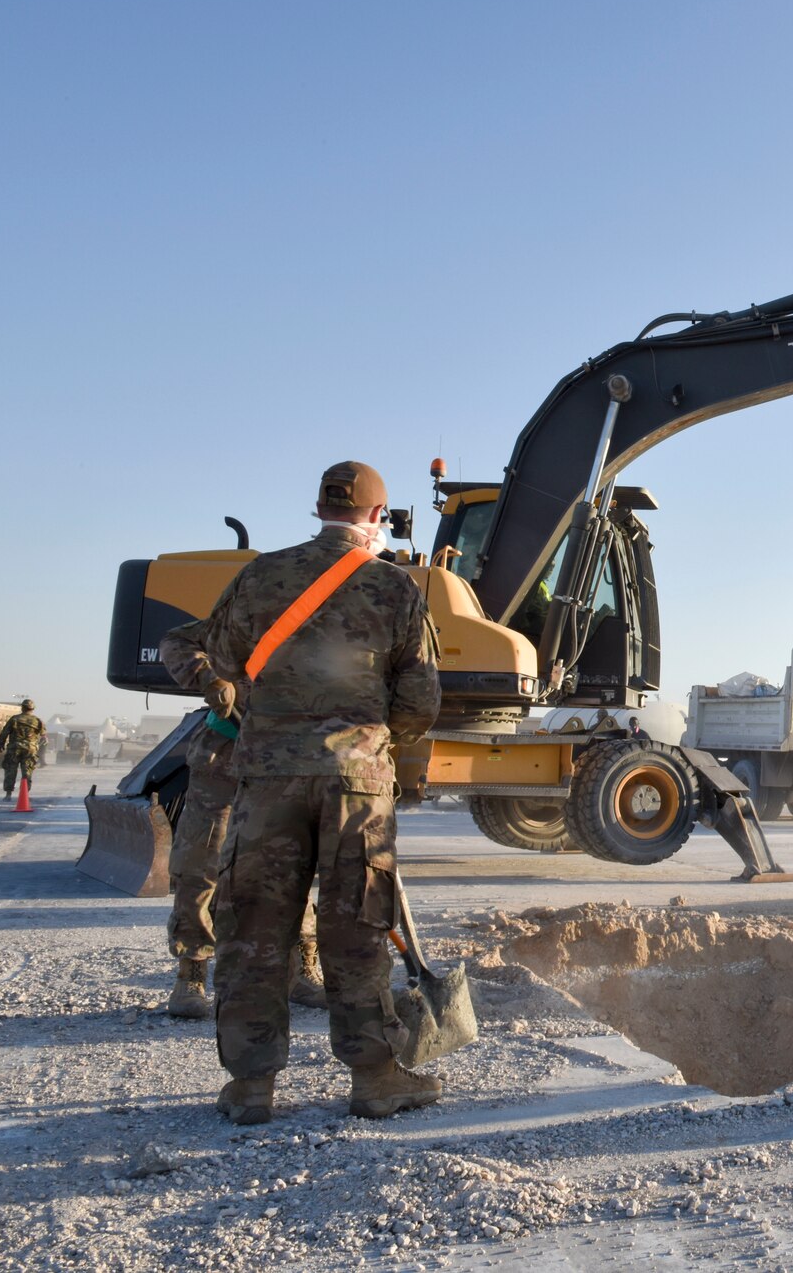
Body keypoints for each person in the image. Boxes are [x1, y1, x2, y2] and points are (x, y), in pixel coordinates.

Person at [199, 460, 443, 1124]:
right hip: (355, 785)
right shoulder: (396, 588)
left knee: (255, 929)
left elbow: (218, 660)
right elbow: (421, 699)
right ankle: (373, 1077)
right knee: (357, 928)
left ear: (320, 509)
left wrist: (270, 718)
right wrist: (370, 746)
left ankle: (251, 1086)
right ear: (376, 519)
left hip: (269, 778)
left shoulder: (260, 576)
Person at [158, 617, 327, 1019]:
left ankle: (299, 970)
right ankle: (191, 973)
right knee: (200, 864)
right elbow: (175, 638)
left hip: (290, 761)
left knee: (290, 867)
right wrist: (208, 678)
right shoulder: (253, 611)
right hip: (225, 757)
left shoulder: (332, 623)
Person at [0, 700, 46, 798]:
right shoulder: (38, 721)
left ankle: (8, 794)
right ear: (33, 709)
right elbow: (43, 736)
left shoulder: (14, 719)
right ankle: (25, 794)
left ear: (22, 708)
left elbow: (5, 733)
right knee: (27, 771)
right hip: (30, 749)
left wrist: (0, 744)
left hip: (15, 748)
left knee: (11, 770)